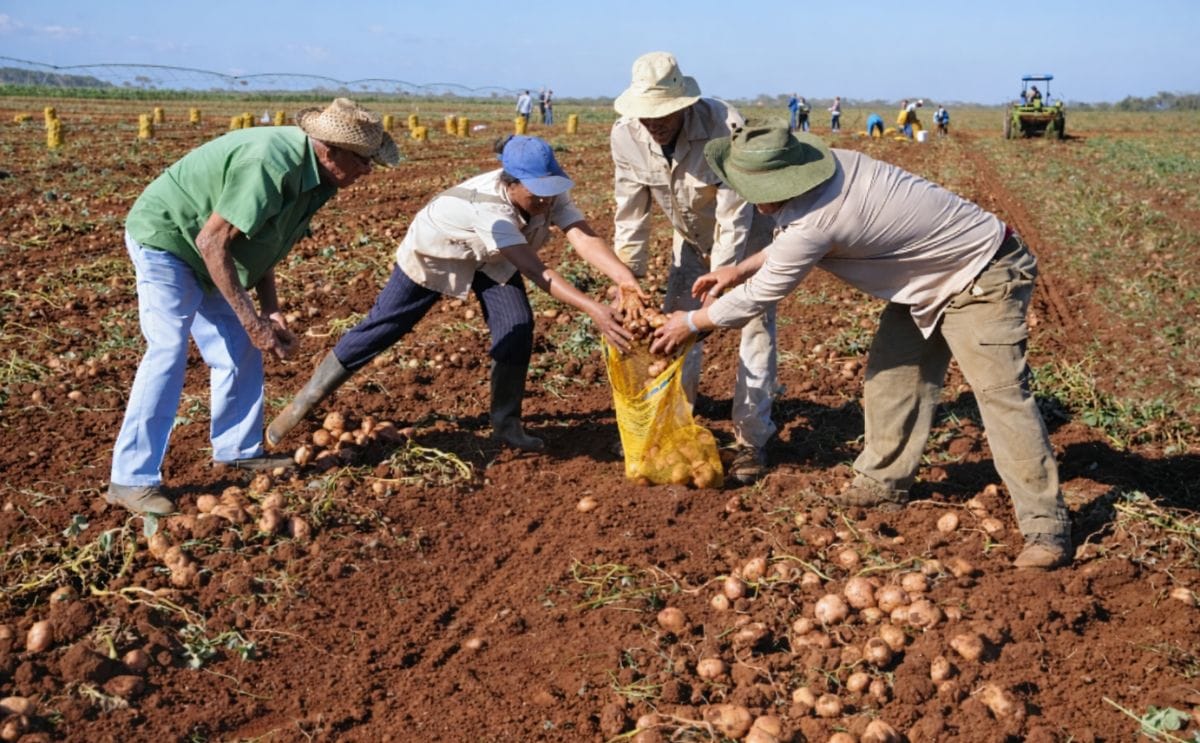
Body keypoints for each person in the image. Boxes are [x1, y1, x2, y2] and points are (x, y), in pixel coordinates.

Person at [651, 124, 1071, 570]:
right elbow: (787, 241)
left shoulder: (821, 220)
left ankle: (1046, 526)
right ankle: (883, 482)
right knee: (892, 377)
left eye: (755, 190)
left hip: (983, 272)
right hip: (923, 281)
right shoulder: (828, 167)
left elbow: (766, 290)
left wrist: (690, 323)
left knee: (1001, 397)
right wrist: (736, 271)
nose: (752, 201)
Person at [107, 98, 399, 516]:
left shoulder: (322, 180)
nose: (368, 170)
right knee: (169, 349)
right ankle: (130, 479)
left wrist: (270, 312)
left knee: (240, 347)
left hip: (213, 254)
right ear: (331, 150)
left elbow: (264, 242)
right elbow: (213, 241)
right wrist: (253, 322)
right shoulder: (270, 164)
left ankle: (239, 450)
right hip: (169, 240)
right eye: (364, 160)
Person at [267, 135, 644, 453]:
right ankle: (303, 403)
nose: (545, 202)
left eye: (549, 192)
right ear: (510, 183)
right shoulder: (490, 208)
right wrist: (592, 308)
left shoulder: (548, 191)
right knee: (384, 327)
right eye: (536, 195)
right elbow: (535, 269)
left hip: (493, 258)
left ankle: (507, 425)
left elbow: (581, 234)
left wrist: (624, 279)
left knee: (516, 325)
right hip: (439, 252)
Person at [610, 51, 778, 484]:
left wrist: (721, 282)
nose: (654, 123)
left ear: (684, 103)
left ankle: (751, 440)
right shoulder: (626, 135)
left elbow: (733, 214)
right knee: (672, 332)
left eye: (663, 113)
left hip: (748, 242)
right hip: (688, 242)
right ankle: (674, 426)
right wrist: (627, 280)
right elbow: (631, 212)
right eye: (646, 115)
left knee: (755, 332)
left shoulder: (725, 126)